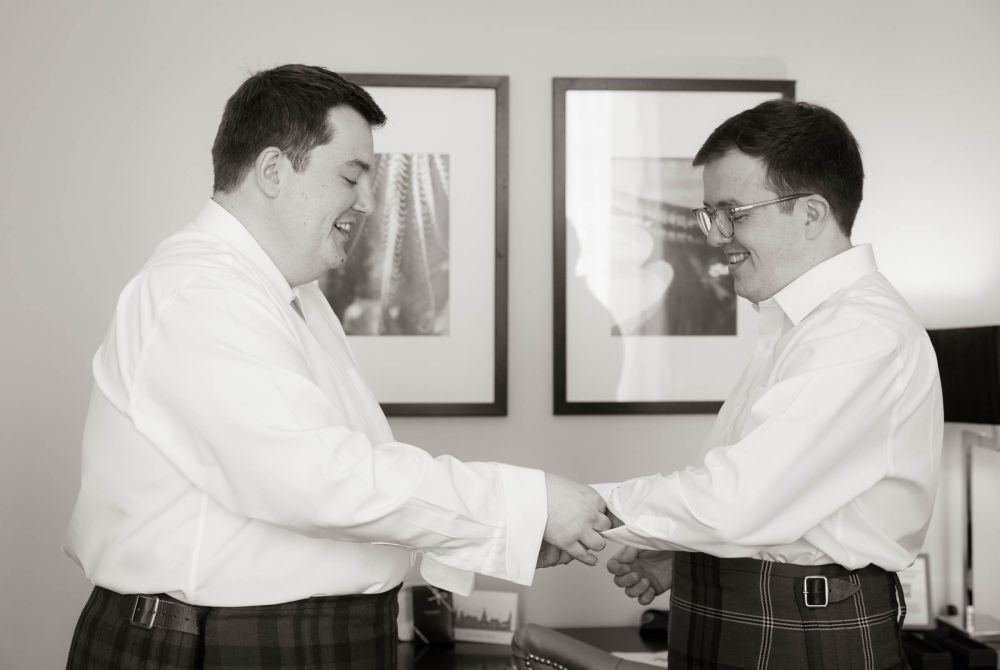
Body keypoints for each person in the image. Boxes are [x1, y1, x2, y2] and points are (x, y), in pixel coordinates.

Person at [62, 64, 609, 670]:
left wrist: (506, 533)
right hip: (220, 645)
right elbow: (319, 482)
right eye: (352, 176)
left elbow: (346, 488)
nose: (368, 202)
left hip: (299, 638)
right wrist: (521, 507)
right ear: (273, 170)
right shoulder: (199, 294)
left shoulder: (293, 295)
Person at [599, 99, 943, 669]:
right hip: (760, 620)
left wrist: (588, 508)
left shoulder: (860, 331)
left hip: (806, 635)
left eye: (734, 212)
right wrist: (690, 555)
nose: (717, 236)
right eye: (710, 214)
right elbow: (784, 507)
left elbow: (737, 501)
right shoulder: (801, 325)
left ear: (811, 214)